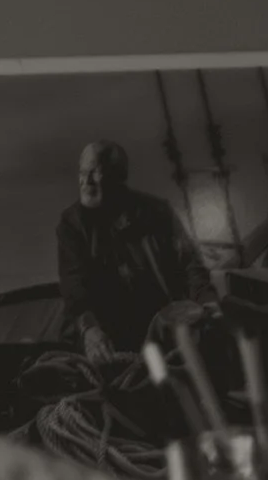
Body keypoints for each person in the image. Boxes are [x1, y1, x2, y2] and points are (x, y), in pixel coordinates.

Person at [55, 138, 210, 365]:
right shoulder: (71, 225)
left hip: (162, 330)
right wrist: (89, 330)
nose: (85, 181)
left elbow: (190, 265)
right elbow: (74, 288)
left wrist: (208, 304)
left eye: (95, 172)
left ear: (118, 176)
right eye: (82, 172)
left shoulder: (158, 214)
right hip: (105, 339)